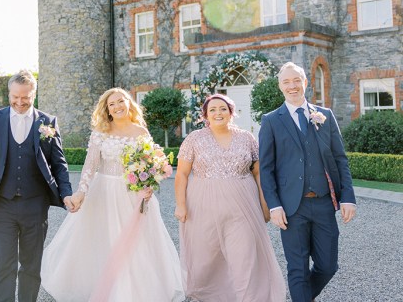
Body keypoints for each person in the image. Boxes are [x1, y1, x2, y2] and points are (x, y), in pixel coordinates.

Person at [41, 88, 184, 302]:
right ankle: (104, 287)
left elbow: (150, 162)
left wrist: (150, 182)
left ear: (129, 103)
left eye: (120, 101)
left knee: (136, 243)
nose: (117, 106)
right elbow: (90, 165)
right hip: (104, 192)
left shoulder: (140, 131)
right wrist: (81, 191)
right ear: (107, 109)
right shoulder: (101, 131)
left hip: (133, 195)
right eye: (112, 104)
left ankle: (132, 292)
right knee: (105, 240)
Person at [0, 69, 74, 302]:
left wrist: (67, 194)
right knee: (4, 264)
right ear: (9, 93)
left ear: (34, 94)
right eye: (14, 97)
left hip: (35, 207)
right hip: (1, 205)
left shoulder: (48, 122)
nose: (19, 102)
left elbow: (59, 164)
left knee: (30, 266)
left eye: (24, 97)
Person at [259, 62, 356, 302]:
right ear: (280, 86)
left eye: (296, 80)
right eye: (286, 82)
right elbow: (266, 168)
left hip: (323, 203)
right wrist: (274, 205)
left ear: (305, 82)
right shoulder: (271, 120)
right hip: (292, 208)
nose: (292, 86)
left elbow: (340, 159)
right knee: (298, 268)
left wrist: (348, 197)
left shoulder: (325, 116)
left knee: (328, 266)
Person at [174, 93, 285, 302]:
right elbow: (181, 174)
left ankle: (249, 296)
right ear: (205, 114)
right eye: (213, 109)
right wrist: (181, 205)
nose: (218, 113)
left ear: (231, 112)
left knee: (244, 253)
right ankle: (210, 294)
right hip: (202, 205)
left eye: (223, 108)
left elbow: (259, 173)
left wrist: (264, 204)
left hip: (242, 205)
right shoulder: (194, 139)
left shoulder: (247, 138)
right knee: (206, 255)